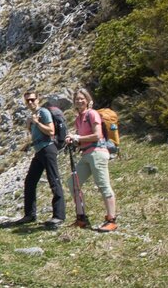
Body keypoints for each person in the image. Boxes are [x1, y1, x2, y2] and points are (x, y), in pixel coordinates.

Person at [66, 88, 118, 232]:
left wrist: (78, 138)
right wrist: (74, 141)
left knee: (103, 185)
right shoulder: (78, 119)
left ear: (88, 100)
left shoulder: (92, 114)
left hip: (98, 153)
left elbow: (97, 135)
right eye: (77, 99)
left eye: (82, 98)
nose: (79, 101)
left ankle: (111, 219)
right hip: (87, 154)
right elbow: (83, 140)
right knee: (72, 183)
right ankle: (81, 217)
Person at [15, 90, 65, 226]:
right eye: (27, 100)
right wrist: (30, 124)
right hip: (39, 151)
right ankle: (29, 215)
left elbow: (51, 131)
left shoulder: (43, 112)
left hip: (48, 148)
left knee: (54, 180)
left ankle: (59, 216)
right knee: (30, 181)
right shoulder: (33, 115)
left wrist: (37, 122)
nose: (30, 102)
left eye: (32, 99)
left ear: (38, 99)